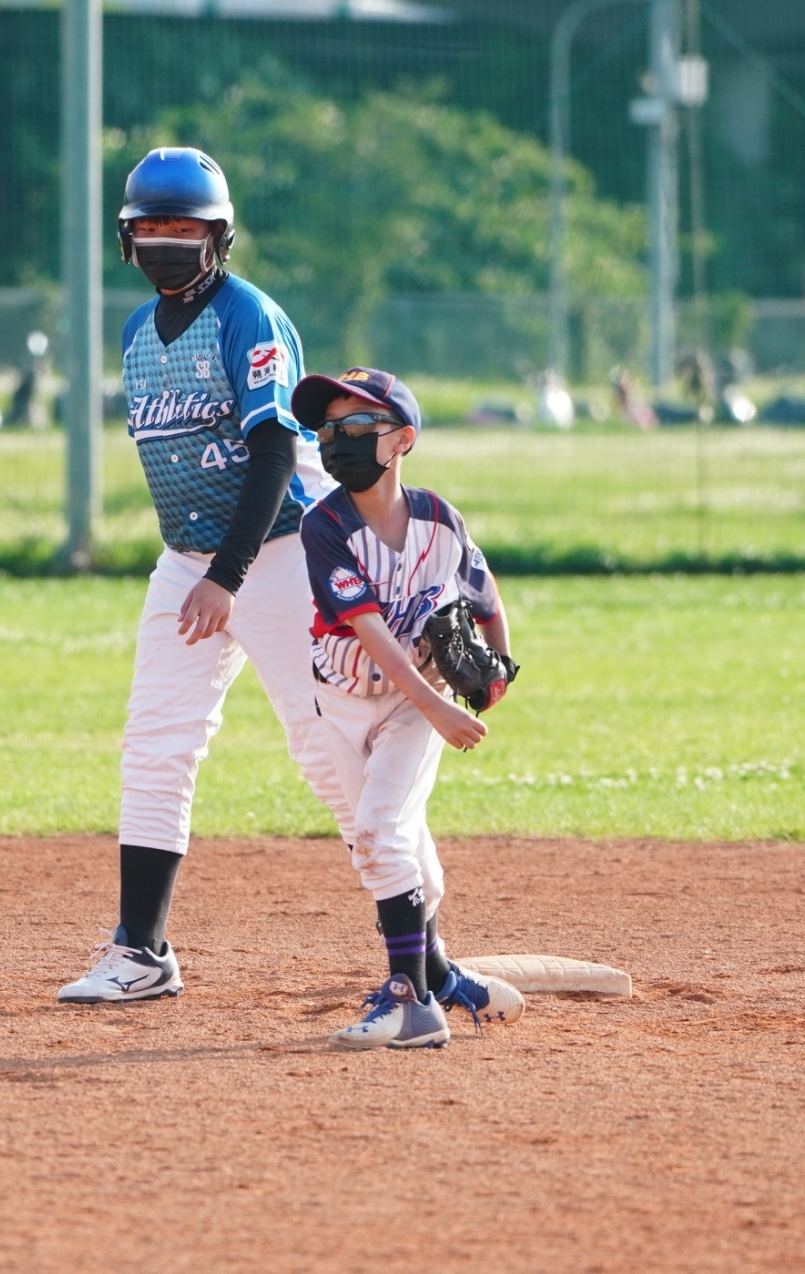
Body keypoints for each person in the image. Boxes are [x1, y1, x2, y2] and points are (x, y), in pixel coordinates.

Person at [58, 147, 352, 1004]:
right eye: (149, 225)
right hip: (188, 561)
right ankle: (141, 952)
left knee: (325, 744)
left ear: (218, 235)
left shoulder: (247, 315)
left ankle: (419, 946)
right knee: (156, 743)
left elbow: (276, 452)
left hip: (282, 551)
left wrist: (228, 574)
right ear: (127, 237)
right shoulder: (136, 332)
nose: (165, 239)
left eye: (183, 227)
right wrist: (209, 570)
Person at [290, 366, 526, 1049]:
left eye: (357, 424)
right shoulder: (324, 526)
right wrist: (441, 708)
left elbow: (485, 596)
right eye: (328, 428)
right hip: (341, 701)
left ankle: (410, 1003)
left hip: (413, 707)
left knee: (377, 835)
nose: (337, 439)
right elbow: (373, 636)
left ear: (402, 439)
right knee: (401, 852)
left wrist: (499, 669)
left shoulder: (439, 520)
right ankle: (439, 976)